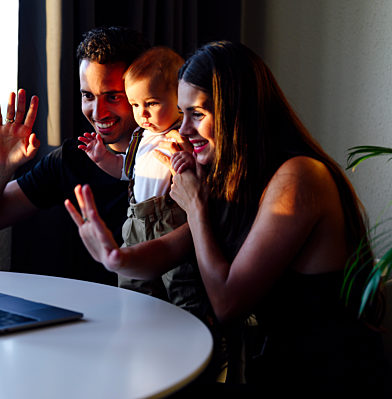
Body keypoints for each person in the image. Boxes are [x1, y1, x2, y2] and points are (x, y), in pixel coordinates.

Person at [65, 41, 389, 391]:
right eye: (182, 112)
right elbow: (167, 252)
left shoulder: (298, 177)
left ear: (238, 113)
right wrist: (114, 255)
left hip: (326, 377)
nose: (184, 130)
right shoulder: (233, 179)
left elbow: (228, 303)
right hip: (273, 368)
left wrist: (197, 209)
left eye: (197, 114)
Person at [0, 26, 149, 286]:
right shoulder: (71, 159)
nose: (98, 112)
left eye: (113, 96)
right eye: (88, 96)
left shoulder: (166, 159)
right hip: (77, 313)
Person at [78, 46, 212, 322]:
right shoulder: (140, 138)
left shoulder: (181, 135)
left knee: (181, 284)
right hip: (136, 221)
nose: (143, 114)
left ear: (178, 98)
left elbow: (201, 176)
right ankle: (136, 327)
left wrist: (186, 160)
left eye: (151, 103)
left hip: (170, 221)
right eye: (135, 105)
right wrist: (102, 157)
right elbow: (125, 171)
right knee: (132, 286)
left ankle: (191, 329)